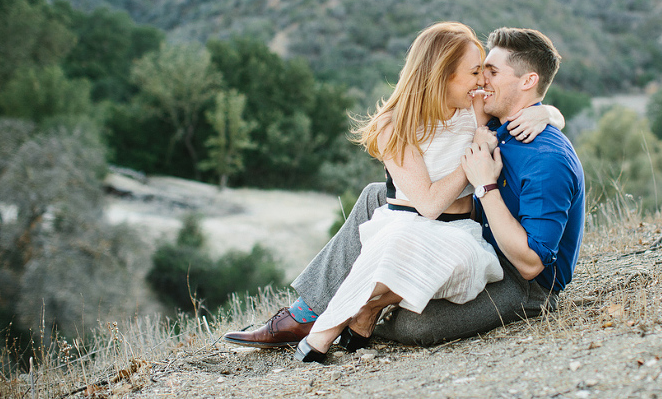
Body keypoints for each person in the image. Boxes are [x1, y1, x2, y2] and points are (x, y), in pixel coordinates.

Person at [225, 26, 584, 352]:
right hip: (477, 232)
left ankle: (360, 310)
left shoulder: (538, 151)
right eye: (479, 71)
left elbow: (531, 264)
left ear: (525, 81)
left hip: (525, 282)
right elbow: (437, 192)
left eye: (490, 73)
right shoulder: (499, 120)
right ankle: (306, 313)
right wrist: (543, 114)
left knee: (413, 326)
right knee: (375, 196)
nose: (481, 82)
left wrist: (536, 125)